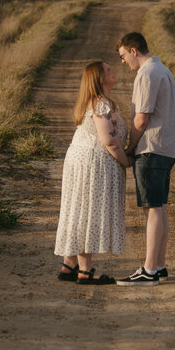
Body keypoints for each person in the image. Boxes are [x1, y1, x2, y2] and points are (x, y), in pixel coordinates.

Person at [54, 60, 133, 285]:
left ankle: (70, 263)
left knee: (79, 209)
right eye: (108, 70)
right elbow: (110, 141)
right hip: (91, 165)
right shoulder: (100, 104)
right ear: (99, 79)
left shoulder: (95, 102)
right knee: (88, 211)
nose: (113, 71)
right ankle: (86, 270)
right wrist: (126, 161)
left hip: (80, 161)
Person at [116, 32, 175, 286]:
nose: (123, 62)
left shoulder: (146, 73)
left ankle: (149, 270)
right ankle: (160, 265)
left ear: (133, 50)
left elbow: (141, 119)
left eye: (123, 56)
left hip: (151, 148)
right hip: (165, 148)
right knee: (160, 208)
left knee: (152, 209)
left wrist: (130, 147)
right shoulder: (162, 68)